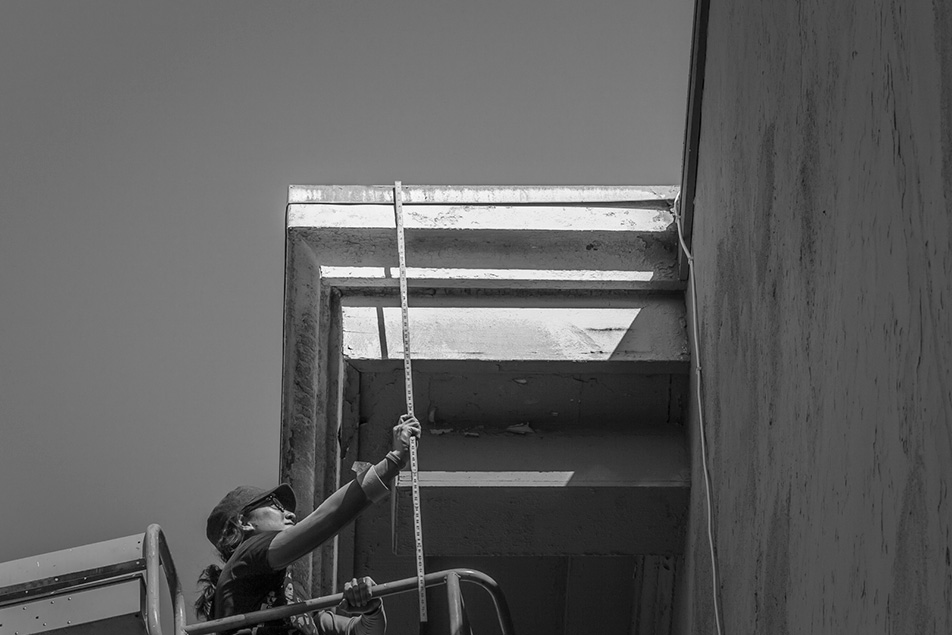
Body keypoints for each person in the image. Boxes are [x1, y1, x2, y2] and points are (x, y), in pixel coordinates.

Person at [196, 414, 422, 635]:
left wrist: (371, 608)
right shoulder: (245, 558)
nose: (290, 514)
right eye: (276, 505)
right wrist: (393, 461)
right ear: (243, 523)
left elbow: (359, 631)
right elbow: (326, 518)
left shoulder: (292, 597)